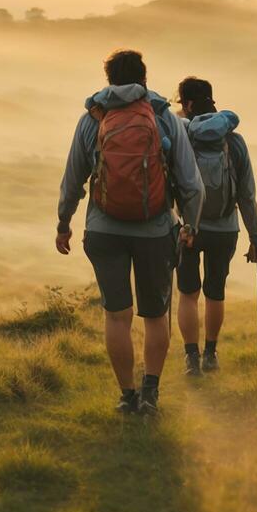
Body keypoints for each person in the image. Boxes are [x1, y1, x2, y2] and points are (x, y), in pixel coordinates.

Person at [56, 49, 203, 416]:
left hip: (104, 228)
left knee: (116, 316)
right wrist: (190, 224)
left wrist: (64, 221)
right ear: (143, 79)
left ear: (109, 80)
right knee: (155, 315)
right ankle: (151, 392)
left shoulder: (93, 117)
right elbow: (191, 182)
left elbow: (73, 177)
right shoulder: (163, 118)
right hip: (155, 230)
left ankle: (127, 394)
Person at [173, 77, 257, 375]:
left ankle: (191, 357)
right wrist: (255, 236)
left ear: (186, 104)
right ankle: (211, 354)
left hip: (188, 228)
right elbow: (247, 194)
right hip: (225, 229)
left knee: (188, 293)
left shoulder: (180, 136)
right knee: (215, 291)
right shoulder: (234, 141)